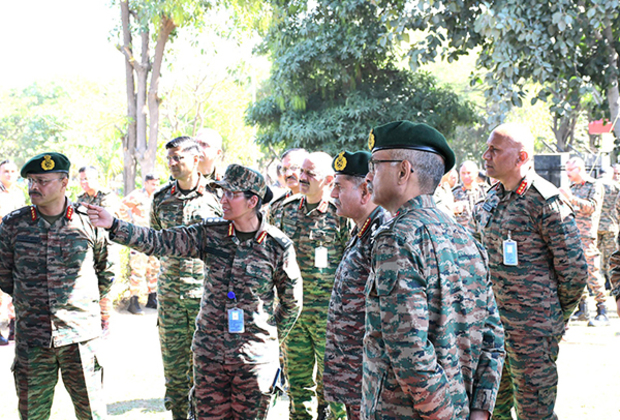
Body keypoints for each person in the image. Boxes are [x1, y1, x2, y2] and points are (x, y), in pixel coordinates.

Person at [87, 164, 303, 419]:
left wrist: (265, 339)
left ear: (252, 200)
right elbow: (160, 240)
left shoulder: (277, 246)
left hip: (253, 364)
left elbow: (291, 303)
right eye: (221, 193)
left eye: (231, 194)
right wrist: (114, 224)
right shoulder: (210, 234)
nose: (222, 200)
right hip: (210, 357)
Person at [362, 121, 504, 420]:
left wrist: (442, 415)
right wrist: (479, 411)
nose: (368, 175)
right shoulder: (465, 239)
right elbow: (492, 337)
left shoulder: (396, 239)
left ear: (403, 171)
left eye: (375, 165)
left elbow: (408, 348)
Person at [474, 123, 588, 420]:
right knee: (493, 411)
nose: (486, 155)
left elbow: (574, 271)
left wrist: (552, 319)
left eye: (495, 150)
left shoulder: (545, 201)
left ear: (520, 157)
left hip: (533, 333)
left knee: (534, 414)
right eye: (487, 148)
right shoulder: (491, 199)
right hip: (493, 333)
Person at [0, 152, 114, 419]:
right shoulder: (13, 224)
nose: (34, 187)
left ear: (64, 182)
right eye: (30, 181)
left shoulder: (89, 221)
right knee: (32, 415)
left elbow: (106, 271)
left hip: (80, 338)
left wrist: (82, 307)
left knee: (92, 413)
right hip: (33, 340)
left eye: (42, 181)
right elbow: (4, 273)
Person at [271, 152, 349, 420]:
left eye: (309, 174)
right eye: (301, 172)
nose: (302, 178)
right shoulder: (284, 211)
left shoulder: (341, 216)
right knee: (298, 388)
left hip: (329, 317)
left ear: (328, 180)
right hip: (294, 316)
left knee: (335, 389)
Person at [151, 136, 223, 419]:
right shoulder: (161, 199)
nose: (172, 163)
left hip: (206, 301)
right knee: (175, 380)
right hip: (170, 301)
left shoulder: (217, 197)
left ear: (196, 160)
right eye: (169, 158)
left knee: (207, 377)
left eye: (178, 157)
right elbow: (156, 241)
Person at [323, 151, 388, 420]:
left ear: (365, 191)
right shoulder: (361, 231)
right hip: (354, 375)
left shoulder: (381, 235)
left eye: (338, 186)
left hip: (372, 379)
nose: (332, 195)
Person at [559, 157, 609, 326]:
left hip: (586, 235)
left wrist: (571, 198)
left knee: (592, 272)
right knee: (575, 273)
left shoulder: (594, 185)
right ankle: (582, 309)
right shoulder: (572, 187)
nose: (568, 174)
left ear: (580, 169)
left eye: (570, 170)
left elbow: (591, 208)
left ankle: (602, 309)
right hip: (571, 234)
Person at [77, 165, 121, 332]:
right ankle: (91, 319)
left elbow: (104, 218)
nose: (84, 182)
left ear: (97, 179)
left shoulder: (107, 196)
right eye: (81, 179)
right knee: (88, 281)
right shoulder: (80, 198)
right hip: (88, 246)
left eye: (87, 178)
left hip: (106, 245)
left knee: (105, 281)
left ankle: (105, 321)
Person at [119, 174, 161, 314]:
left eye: (157, 184)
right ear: (146, 183)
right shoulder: (137, 195)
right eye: (152, 184)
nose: (155, 187)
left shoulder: (158, 196)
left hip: (154, 237)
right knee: (138, 269)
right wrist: (130, 224)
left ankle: (152, 298)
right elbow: (122, 207)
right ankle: (134, 301)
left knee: (153, 268)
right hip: (140, 237)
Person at [0, 159, 26, 345]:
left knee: (16, 285)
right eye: (5, 171)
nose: (9, 174)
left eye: (12, 171)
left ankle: (14, 329)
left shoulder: (19, 194)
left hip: (16, 245)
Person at [267, 148, 309, 225]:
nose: (288, 174)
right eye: (284, 169)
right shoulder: (276, 205)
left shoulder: (320, 203)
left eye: (294, 168)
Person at [597, 165, 620, 290]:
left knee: (594, 257)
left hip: (594, 227)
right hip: (611, 226)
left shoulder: (594, 184)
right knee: (610, 256)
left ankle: (592, 285)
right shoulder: (616, 186)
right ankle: (609, 282)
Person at [452, 160, 486, 231]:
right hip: (461, 234)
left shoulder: (485, 192)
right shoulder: (453, 193)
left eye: (469, 173)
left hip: (481, 233)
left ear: (476, 173)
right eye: (463, 173)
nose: (466, 176)